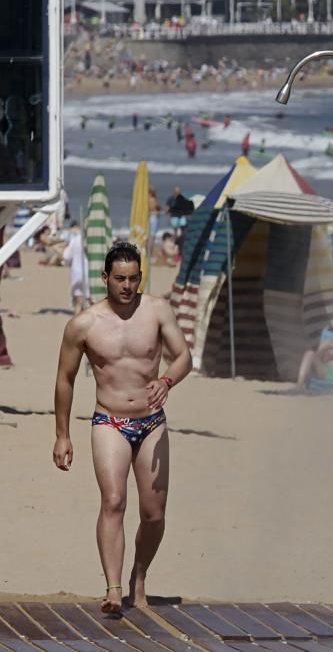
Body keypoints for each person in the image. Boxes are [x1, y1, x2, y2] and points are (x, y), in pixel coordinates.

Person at [52, 241, 192, 613]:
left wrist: (165, 382)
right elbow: (65, 379)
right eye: (119, 279)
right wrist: (62, 434)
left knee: (154, 514)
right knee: (113, 500)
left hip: (151, 422)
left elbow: (184, 357)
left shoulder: (157, 310)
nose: (126, 286)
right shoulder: (84, 324)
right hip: (109, 421)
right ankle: (113, 589)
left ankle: (138, 578)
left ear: (140, 277)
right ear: (105, 278)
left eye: (133, 278)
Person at [61, 221, 87, 315]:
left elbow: (66, 257)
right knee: (87, 301)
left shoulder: (74, 240)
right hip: (89, 273)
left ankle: (77, 322)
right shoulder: (89, 240)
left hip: (76, 272)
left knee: (78, 302)